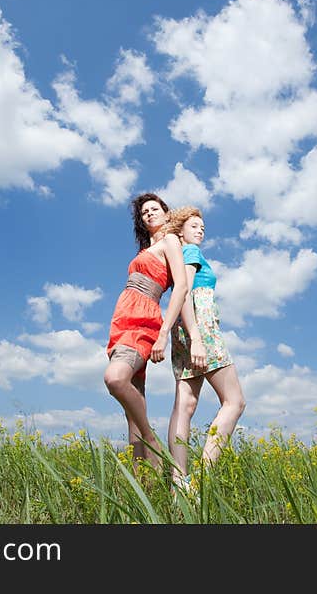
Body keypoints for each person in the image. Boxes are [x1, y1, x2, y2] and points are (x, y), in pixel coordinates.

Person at [104, 193, 207, 472]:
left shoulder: (170, 242)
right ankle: (143, 485)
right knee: (131, 413)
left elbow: (182, 288)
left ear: (165, 212)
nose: (148, 214)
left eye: (154, 209)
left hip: (144, 321)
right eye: (144, 212)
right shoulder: (144, 250)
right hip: (122, 320)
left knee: (114, 379)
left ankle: (152, 442)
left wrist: (164, 333)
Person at [164, 206, 246, 491]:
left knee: (184, 406)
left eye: (203, 227)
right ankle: (201, 480)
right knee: (235, 401)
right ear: (180, 230)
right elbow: (184, 292)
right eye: (194, 226)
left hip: (183, 330)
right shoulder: (190, 253)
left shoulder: (180, 255)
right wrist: (198, 338)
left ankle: (179, 482)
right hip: (201, 329)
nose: (201, 231)